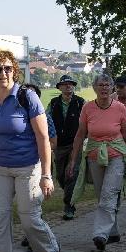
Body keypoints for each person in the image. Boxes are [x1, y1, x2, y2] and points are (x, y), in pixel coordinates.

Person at [0, 50, 60, 252]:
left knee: (29, 219)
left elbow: (43, 138)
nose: (3, 73)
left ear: (14, 71)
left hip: (28, 167)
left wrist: (46, 174)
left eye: (7, 68)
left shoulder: (27, 97)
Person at [68, 74, 126, 251]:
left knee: (109, 194)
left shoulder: (119, 108)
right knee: (103, 196)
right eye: (100, 85)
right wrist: (72, 160)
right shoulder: (87, 108)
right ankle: (113, 231)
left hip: (116, 155)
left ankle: (100, 234)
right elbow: (80, 134)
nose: (104, 88)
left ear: (112, 88)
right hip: (95, 156)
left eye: (107, 85)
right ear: (94, 88)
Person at [47, 74, 86, 220]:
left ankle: (68, 206)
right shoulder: (54, 103)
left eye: (70, 84)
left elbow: (87, 122)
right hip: (59, 145)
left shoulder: (80, 103)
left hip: (76, 144)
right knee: (61, 176)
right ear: (60, 87)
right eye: (65, 84)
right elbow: (46, 119)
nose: (68, 86)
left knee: (72, 173)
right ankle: (70, 195)